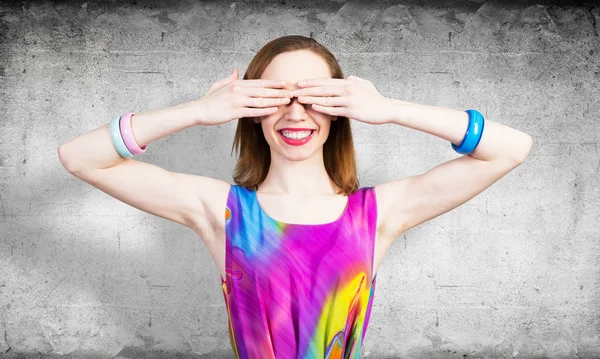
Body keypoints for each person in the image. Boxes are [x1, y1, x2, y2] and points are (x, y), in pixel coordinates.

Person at [58, 35, 532, 359]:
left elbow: (512, 149)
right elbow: (79, 157)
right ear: (254, 111)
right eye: (276, 96)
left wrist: (388, 110)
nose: (295, 112)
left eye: (314, 96)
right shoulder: (222, 212)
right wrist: (199, 111)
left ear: (339, 109)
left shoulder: (376, 213)